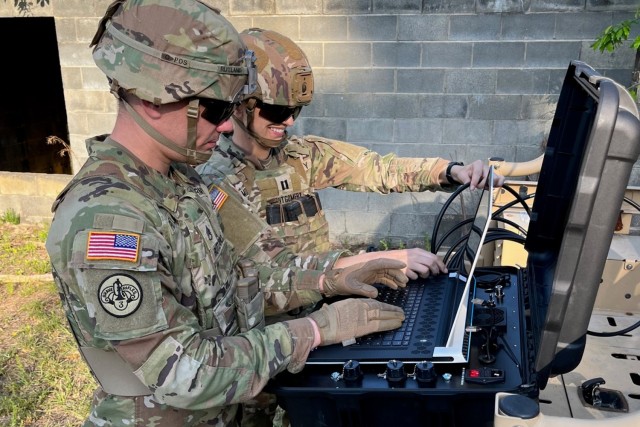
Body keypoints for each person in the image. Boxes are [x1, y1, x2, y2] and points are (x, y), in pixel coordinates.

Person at [45, 1, 406, 425]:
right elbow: (183, 371)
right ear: (153, 98)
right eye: (215, 109)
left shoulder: (183, 181)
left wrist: (327, 279)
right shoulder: (108, 219)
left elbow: (239, 282)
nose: (225, 125)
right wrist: (314, 330)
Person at [197, 28, 505, 262]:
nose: (289, 122)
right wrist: (379, 261)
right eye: (278, 111)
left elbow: (378, 169)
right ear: (239, 106)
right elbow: (273, 274)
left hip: (324, 312)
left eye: (295, 111)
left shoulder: (302, 157)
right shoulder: (215, 184)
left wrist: (452, 172)